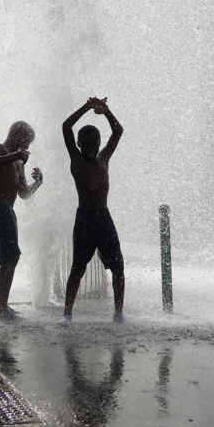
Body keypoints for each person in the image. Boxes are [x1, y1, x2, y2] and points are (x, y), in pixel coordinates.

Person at [60, 97, 125, 326]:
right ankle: (67, 314)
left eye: (93, 143)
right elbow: (66, 126)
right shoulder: (76, 160)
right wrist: (86, 107)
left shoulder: (104, 159)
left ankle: (118, 314)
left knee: (117, 266)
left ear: (99, 144)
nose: (90, 147)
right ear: (78, 144)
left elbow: (118, 131)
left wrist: (106, 111)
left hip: (103, 217)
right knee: (78, 267)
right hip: (85, 218)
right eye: (85, 143)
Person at [0, 121, 43, 320]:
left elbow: (24, 194)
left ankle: (2, 306)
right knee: (11, 256)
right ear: (16, 135)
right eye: (25, 142)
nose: (26, 148)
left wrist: (38, 183)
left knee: (10, 257)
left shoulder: (18, 163)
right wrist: (16, 155)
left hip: (7, 209)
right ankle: (0, 308)